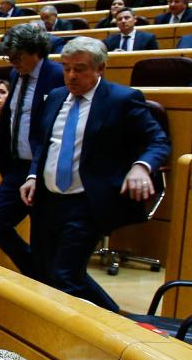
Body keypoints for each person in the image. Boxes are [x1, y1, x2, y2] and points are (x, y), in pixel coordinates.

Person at [19, 37, 170, 312]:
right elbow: (44, 144)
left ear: (100, 69)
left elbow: (158, 141)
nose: (71, 76)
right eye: (66, 68)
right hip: (47, 200)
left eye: (80, 69)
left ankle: (115, 330)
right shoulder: (54, 98)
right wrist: (32, 176)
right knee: (47, 272)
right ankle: (121, 321)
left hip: (86, 202)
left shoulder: (122, 100)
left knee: (65, 276)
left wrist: (141, 166)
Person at [0, 23, 63, 276]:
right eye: (9, 57)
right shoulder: (16, 74)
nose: (12, 62)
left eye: (16, 57)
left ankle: (46, 279)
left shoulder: (56, 75)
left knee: (43, 240)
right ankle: (39, 274)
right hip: (17, 167)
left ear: (35, 51)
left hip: (43, 169)